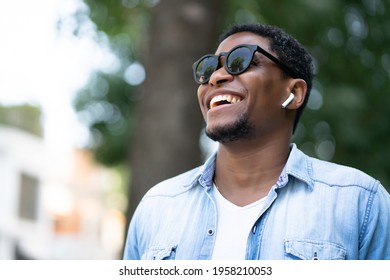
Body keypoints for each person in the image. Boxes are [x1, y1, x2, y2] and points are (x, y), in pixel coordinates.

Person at [123, 23, 390, 260]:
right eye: (207, 69)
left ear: (294, 92)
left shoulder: (359, 203)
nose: (216, 77)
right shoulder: (156, 207)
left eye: (241, 61)